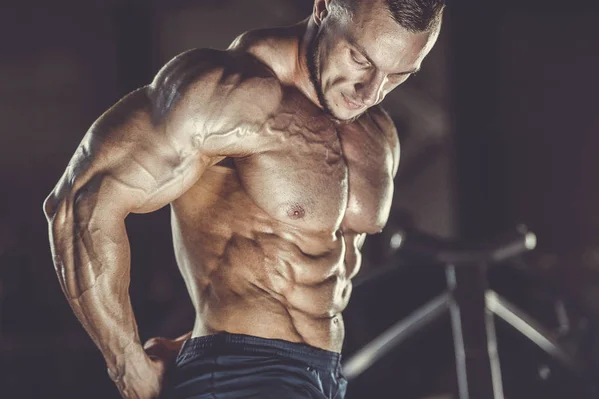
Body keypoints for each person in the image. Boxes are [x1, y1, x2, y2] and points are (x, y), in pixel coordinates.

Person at [43, 0, 444, 397]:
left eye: (398, 74)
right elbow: (81, 204)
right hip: (241, 376)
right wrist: (128, 365)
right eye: (360, 58)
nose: (371, 91)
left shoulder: (378, 132)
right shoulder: (231, 92)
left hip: (321, 377)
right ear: (323, 7)